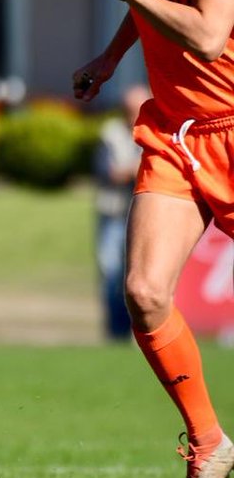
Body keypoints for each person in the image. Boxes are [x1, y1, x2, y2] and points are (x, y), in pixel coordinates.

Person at [74, 0, 234, 478]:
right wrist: (111, 56)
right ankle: (208, 442)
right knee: (142, 292)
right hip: (174, 132)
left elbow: (205, 32)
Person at [93, 84, 150, 341]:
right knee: (111, 272)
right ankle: (116, 334)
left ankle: (141, 333)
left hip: (145, 216)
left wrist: (133, 169)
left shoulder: (157, 131)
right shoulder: (111, 133)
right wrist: (138, 167)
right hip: (114, 213)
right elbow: (112, 173)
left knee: (140, 278)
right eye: (130, 110)